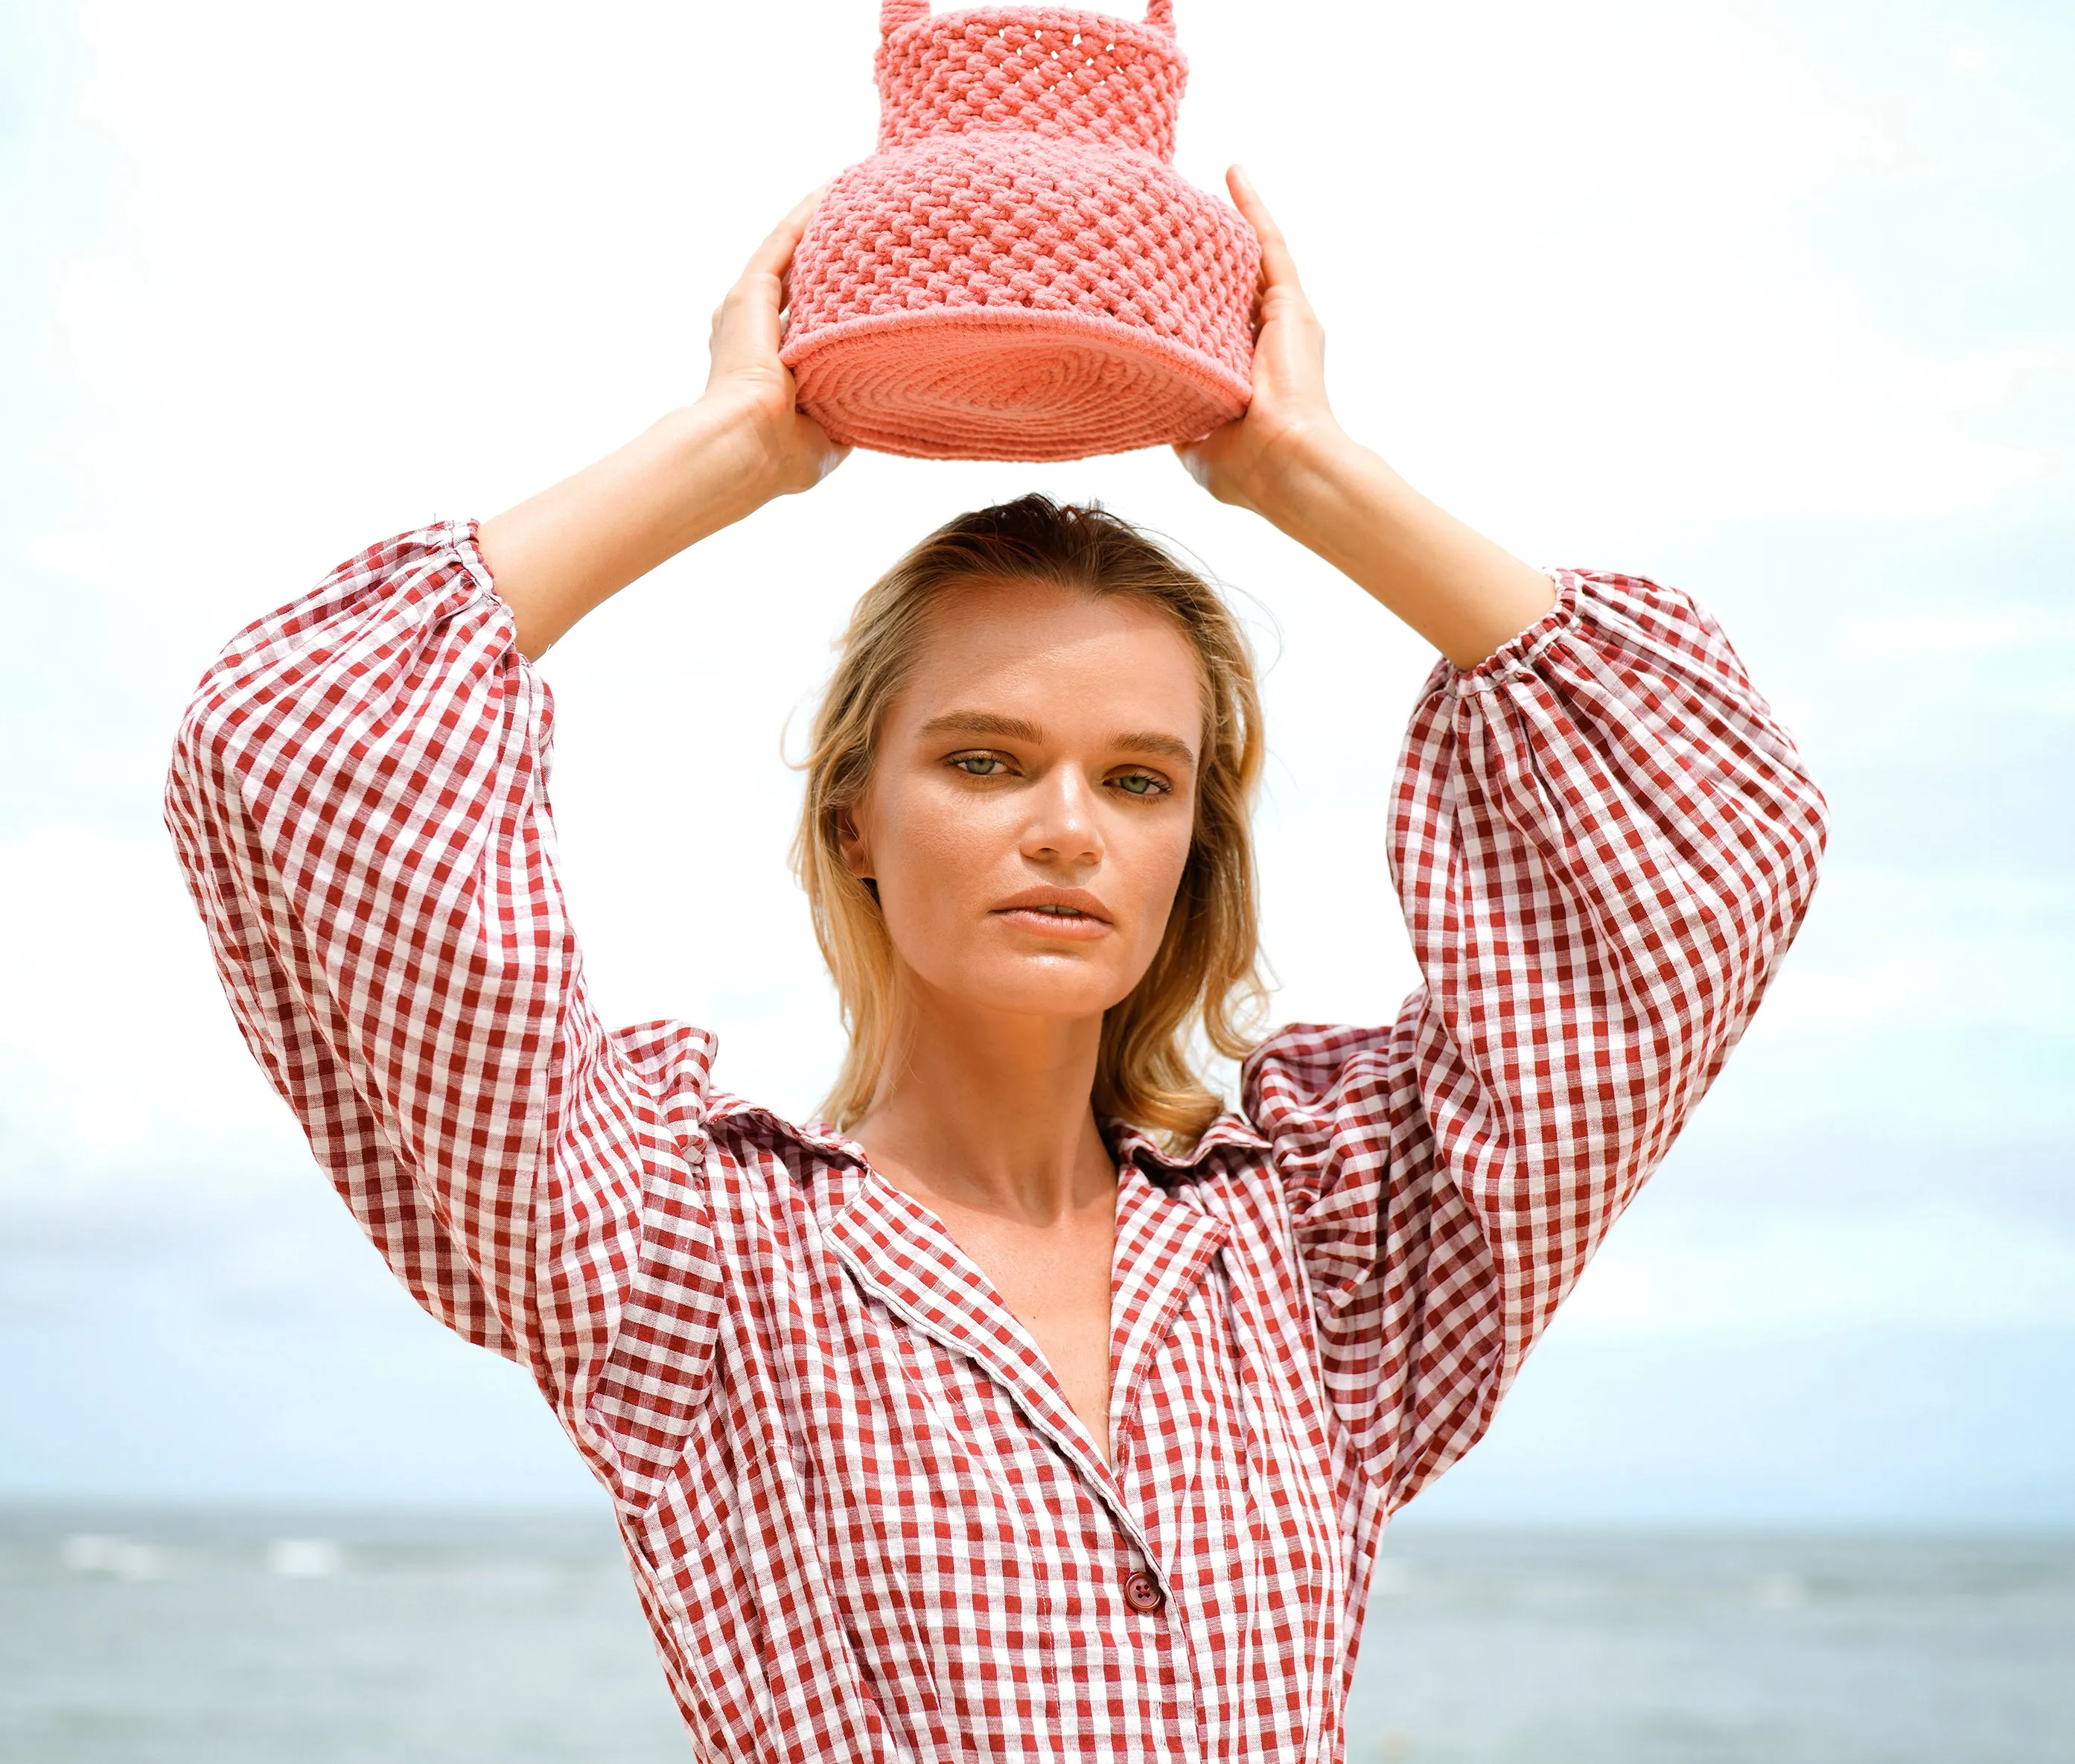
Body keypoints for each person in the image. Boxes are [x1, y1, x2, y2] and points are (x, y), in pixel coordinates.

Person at [166, 171, 1826, 1759]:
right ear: (854, 818)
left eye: (1136, 778)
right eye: (980, 761)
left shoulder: (1338, 1254)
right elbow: (299, 743)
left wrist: (1307, 471)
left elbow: (1707, 848)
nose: (1065, 827)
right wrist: (737, 442)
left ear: (1192, 851)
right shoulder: (682, 1258)